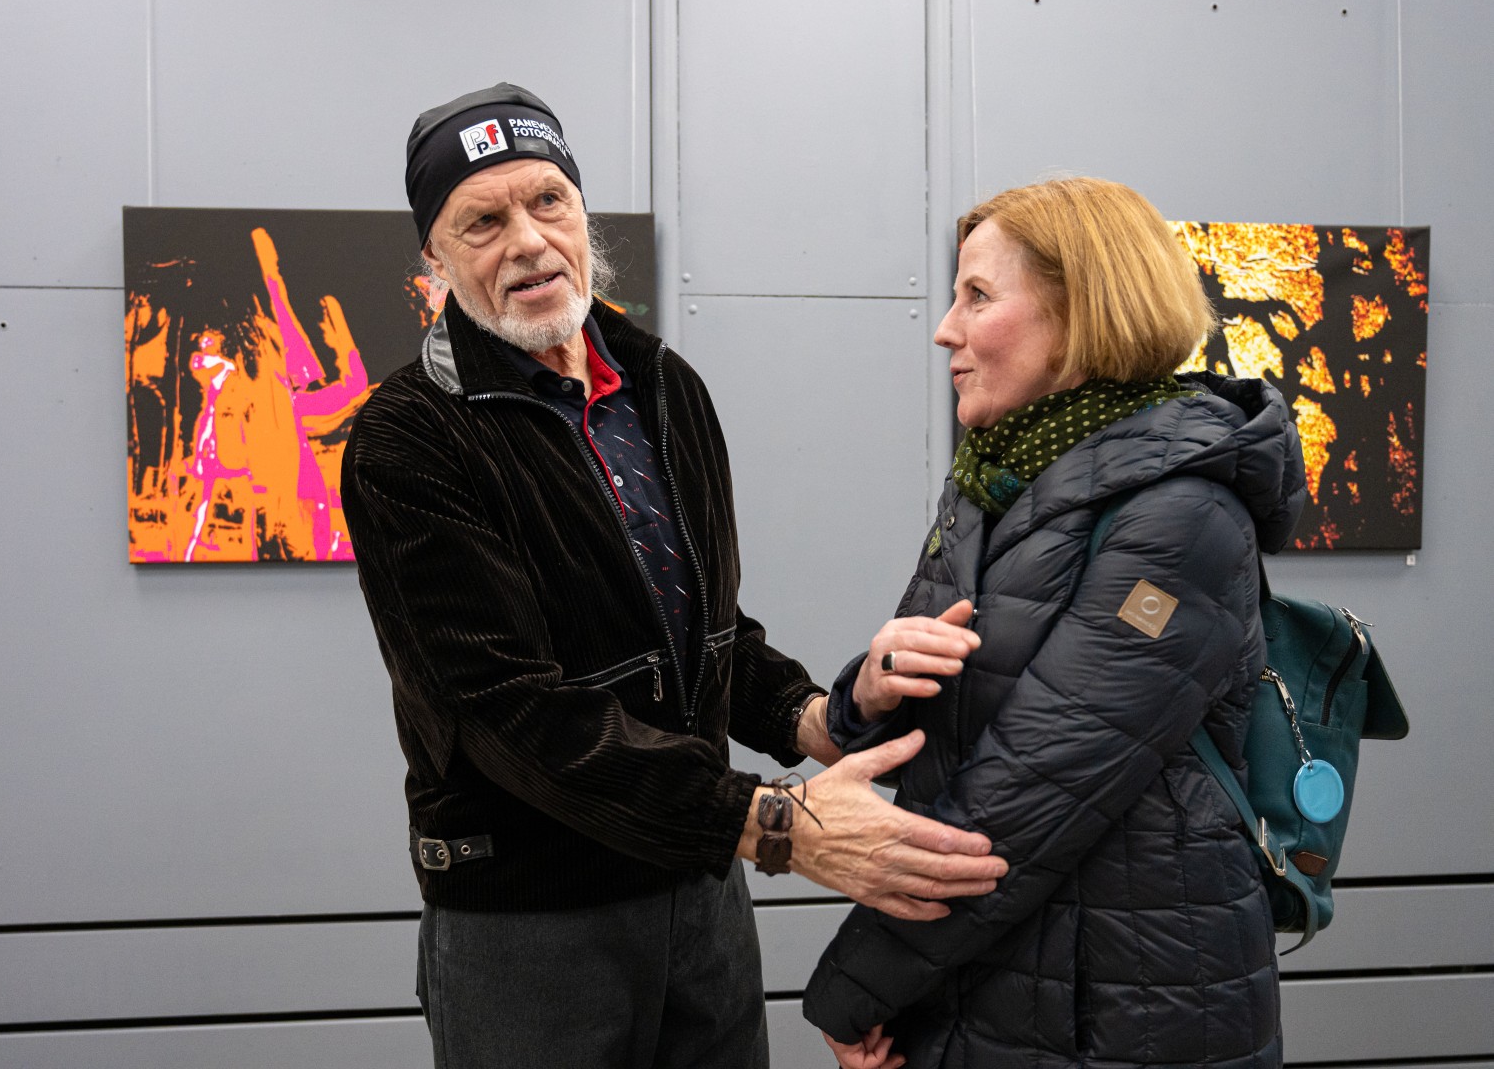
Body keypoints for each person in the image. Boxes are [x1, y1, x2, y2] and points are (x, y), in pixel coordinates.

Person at [339, 82, 1009, 1069]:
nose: (527, 241)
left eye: (548, 201)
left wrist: (826, 716)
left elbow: (703, 632)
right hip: (532, 923)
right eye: (482, 221)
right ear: (433, 260)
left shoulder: (661, 385)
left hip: (700, 895)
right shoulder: (409, 439)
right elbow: (504, 712)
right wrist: (775, 823)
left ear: (582, 213)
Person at [802, 177, 1305, 1069]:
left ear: (1080, 316)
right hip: (989, 978)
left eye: (977, 296)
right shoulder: (992, 484)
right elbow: (942, 716)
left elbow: (1035, 789)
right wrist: (868, 690)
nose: (945, 329)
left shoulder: (1185, 515)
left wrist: (856, 987)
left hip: (1129, 1007)